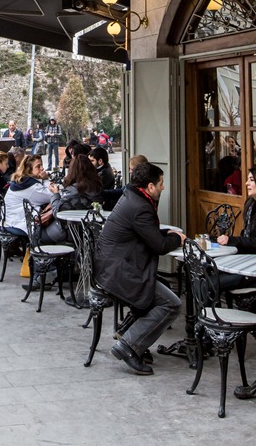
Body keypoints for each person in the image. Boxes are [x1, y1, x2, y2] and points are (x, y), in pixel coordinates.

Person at [94, 161, 184, 376]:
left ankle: (127, 333)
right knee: (172, 303)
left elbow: (149, 236)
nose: (163, 187)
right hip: (119, 273)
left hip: (113, 266)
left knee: (158, 293)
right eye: (161, 183)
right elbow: (159, 246)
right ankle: (129, 344)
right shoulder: (141, 207)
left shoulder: (132, 197)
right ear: (150, 187)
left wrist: (169, 236)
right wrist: (177, 239)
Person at [43, 154, 103, 243]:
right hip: (89, 232)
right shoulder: (96, 187)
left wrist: (55, 194)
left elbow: (57, 212)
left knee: (37, 235)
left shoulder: (73, 191)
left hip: (70, 232)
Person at [4, 154, 52, 238]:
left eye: (42, 165)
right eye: (38, 166)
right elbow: (52, 196)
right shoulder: (32, 187)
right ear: (29, 170)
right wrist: (46, 179)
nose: (42, 168)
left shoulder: (22, 180)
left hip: (10, 218)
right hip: (19, 223)